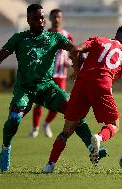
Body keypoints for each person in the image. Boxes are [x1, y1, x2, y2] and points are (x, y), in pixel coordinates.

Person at [0, 4, 107, 172]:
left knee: (74, 109)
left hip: (46, 87)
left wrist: (79, 63)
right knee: (14, 118)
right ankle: (6, 148)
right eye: (36, 18)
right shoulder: (19, 38)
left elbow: (74, 49)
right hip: (25, 89)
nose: (41, 20)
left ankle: (92, 148)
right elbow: (0, 55)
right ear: (28, 20)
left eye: (42, 17)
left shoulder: (54, 37)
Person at [42, 25, 122, 174]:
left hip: (81, 84)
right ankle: (99, 138)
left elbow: (74, 50)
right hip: (102, 86)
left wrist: (77, 69)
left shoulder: (98, 40)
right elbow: (113, 78)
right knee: (114, 124)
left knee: (66, 131)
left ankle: (50, 165)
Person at [29, 8, 73, 138]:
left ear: (61, 18)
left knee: (61, 102)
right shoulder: (44, 34)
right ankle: (35, 128)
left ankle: (46, 124)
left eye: (59, 17)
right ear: (50, 18)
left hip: (61, 75)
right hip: (45, 75)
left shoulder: (67, 35)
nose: (56, 19)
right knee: (39, 102)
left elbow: (72, 55)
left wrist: (70, 63)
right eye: (54, 17)